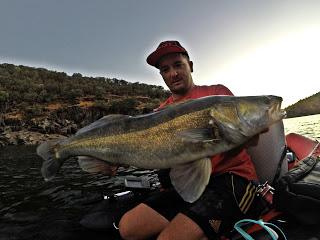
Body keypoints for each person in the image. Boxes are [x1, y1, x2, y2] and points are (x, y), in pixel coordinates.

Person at [118, 40, 261, 240]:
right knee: (128, 228)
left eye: (178, 65)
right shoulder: (159, 113)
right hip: (188, 183)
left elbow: (248, 140)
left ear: (190, 66)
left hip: (230, 180)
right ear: (162, 76)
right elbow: (160, 158)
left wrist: (251, 133)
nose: (173, 73)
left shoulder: (217, 93)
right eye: (165, 69)